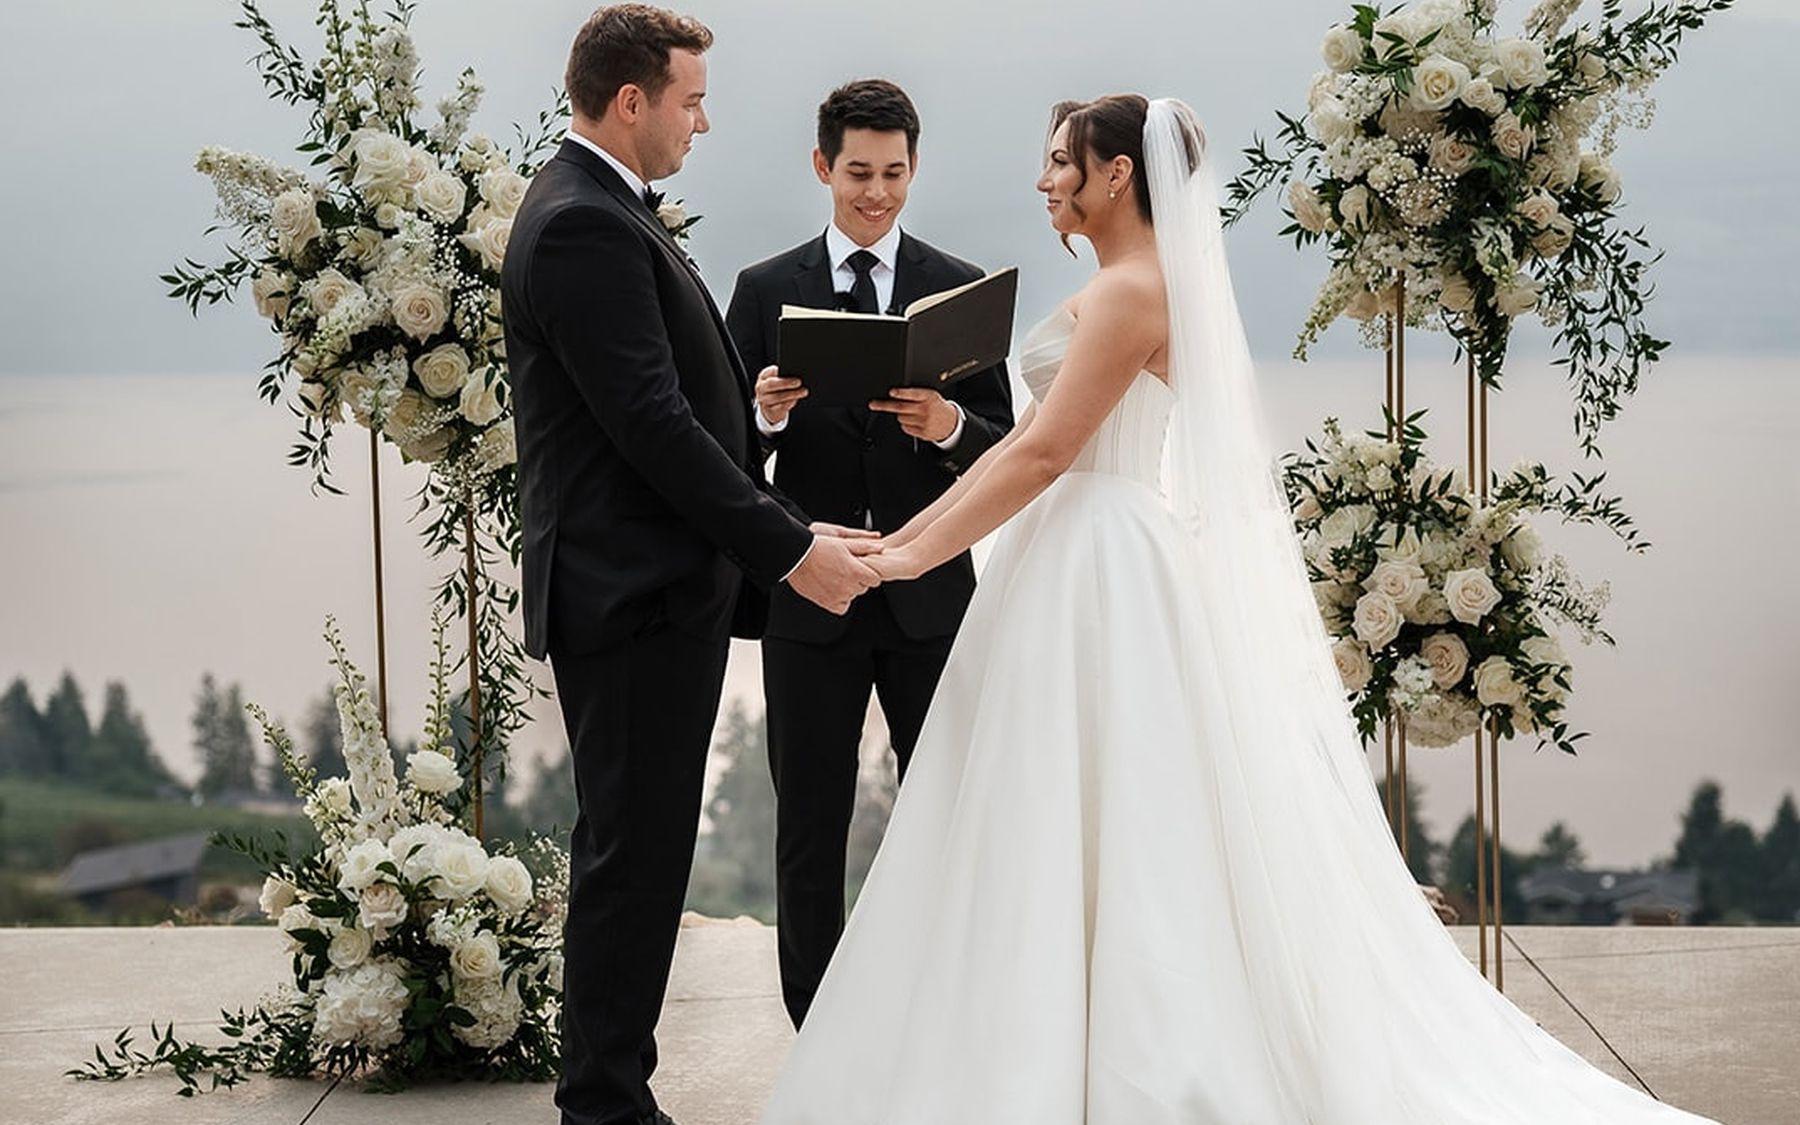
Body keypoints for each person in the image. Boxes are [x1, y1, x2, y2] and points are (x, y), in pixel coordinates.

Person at [759, 94, 1718, 1124]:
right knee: (1042, 809)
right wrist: (896, 545)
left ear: (1116, 175)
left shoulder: (1134, 293)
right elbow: (1013, 448)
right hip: (1066, 557)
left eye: (1058, 163)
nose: (1043, 181)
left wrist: (905, 563)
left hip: (1102, 565)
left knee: (1112, 817)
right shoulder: (1119, 285)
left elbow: (1043, 454)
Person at [499, 7, 881, 1124]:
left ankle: (612, 1092)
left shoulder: (602, 209)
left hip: (654, 592)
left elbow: (684, 415)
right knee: (633, 856)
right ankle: (606, 1106)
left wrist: (783, 514)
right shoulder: (582, 224)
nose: (702, 122)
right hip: (632, 598)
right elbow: (653, 427)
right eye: (691, 100)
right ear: (632, 101)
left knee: (639, 850)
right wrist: (790, 551)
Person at [724, 78, 1014, 1029]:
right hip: (811, 601)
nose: (877, 192)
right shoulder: (765, 291)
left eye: (894, 172)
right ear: (823, 167)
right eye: (858, 172)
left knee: (947, 816)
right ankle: (817, 1025)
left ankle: (943, 1009)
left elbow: (1010, 446)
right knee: (809, 825)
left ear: (914, 168)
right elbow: (719, 454)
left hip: (930, 597)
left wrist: (947, 424)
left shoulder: (961, 287)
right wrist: (761, 416)